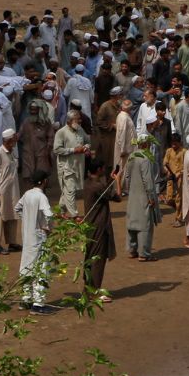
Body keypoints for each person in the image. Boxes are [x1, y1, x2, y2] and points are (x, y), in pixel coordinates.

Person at [15, 169, 55, 313]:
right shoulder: (41, 196)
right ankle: (38, 304)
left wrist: (27, 220)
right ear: (44, 181)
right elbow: (49, 215)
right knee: (41, 269)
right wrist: (48, 228)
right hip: (38, 238)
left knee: (27, 267)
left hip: (27, 237)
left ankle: (26, 299)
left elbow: (17, 208)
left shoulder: (27, 194)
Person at [79, 162, 118, 299]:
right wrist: (117, 181)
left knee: (90, 256)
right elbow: (117, 196)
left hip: (90, 226)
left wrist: (111, 180)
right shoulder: (97, 186)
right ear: (99, 169)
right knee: (98, 259)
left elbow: (104, 192)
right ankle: (94, 291)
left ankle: (88, 288)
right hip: (99, 226)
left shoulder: (89, 184)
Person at [121, 135, 159, 260]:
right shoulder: (145, 158)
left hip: (133, 195)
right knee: (145, 224)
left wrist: (129, 190)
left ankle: (132, 250)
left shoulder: (132, 157)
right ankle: (144, 253)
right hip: (143, 196)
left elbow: (126, 177)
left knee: (132, 222)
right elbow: (148, 181)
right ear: (146, 144)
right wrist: (151, 197)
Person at [52, 107, 91, 215]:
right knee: (70, 190)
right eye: (77, 119)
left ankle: (60, 211)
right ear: (69, 121)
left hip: (78, 165)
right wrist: (73, 150)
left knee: (67, 190)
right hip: (66, 166)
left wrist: (86, 148)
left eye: (79, 119)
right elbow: (56, 149)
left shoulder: (80, 129)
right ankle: (75, 215)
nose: (80, 121)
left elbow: (88, 141)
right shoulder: (61, 132)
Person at [0, 128, 21, 255]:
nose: (16, 140)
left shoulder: (12, 152)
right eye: (14, 138)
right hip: (0, 191)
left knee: (12, 215)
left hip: (12, 190)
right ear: (10, 140)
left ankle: (12, 242)